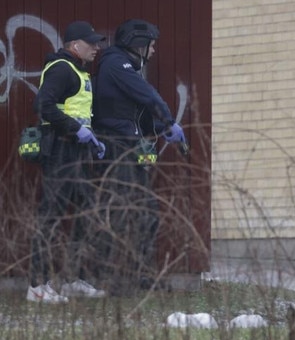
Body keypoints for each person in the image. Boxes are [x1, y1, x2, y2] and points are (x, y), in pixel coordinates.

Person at [92, 19, 186, 294]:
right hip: (117, 148)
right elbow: (148, 96)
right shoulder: (115, 64)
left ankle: (142, 276)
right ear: (138, 44)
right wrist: (169, 121)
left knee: (146, 213)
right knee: (121, 213)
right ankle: (113, 280)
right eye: (152, 45)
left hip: (129, 146)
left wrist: (159, 129)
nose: (154, 51)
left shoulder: (126, 68)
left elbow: (133, 115)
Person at [28, 21, 108, 303]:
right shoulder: (62, 69)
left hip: (76, 152)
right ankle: (37, 286)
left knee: (86, 214)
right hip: (60, 151)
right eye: (92, 43)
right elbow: (43, 105)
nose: (97, 48)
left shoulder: (78, 71)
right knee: (50, 217)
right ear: (75, 45)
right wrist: (77, 130)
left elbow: (77, 112)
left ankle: (75, 278)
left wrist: (92, 139)